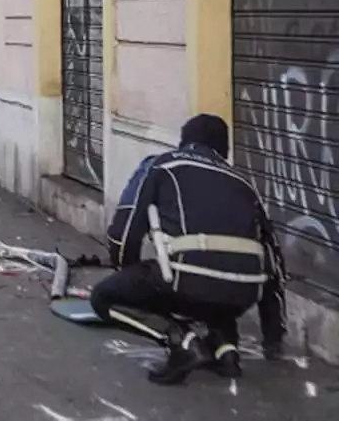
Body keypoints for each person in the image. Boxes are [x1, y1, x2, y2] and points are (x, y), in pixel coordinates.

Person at [90, 113, 287, 385]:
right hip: (241, 295)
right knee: (214, 290)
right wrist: (272, 335)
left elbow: (124, 231)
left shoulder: (162, 166)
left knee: (104, 298)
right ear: (225, 150)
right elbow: (273, 261)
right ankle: (225, 350)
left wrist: (127, 273)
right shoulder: (244, 185)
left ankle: (181, 341)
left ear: (183, 142)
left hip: (186, 280)